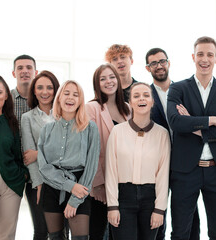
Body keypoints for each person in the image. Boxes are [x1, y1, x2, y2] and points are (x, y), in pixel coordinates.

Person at [167, 36, 216, 240]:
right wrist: (213, 120)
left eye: (210, 54)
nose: (205, 59)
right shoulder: (178, 88)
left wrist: (195, 126)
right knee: (181, 232)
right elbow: (176, 122)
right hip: (184, 172)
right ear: (193, 57)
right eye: (200, 54)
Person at [145, 47, 200, 240]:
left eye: (162, 61)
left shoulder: (185, 91)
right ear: (147, 68)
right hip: (157, 163)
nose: (159, 66)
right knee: (157, 211)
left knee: (189, 214)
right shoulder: (145, 96)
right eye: (154, 63)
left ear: (169, 63)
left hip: (185, 161)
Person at [105, 82, 170, 240]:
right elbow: (111, 171)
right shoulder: (117, 132)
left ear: (152, 101)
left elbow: (163, 175)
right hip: (123, 198)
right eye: (136, 96)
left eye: (146, 95)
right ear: (131, 102)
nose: (142, 99)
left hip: (151, 200)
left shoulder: (162, 134)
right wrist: (112, 206)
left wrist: (160, 209)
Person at [37, 80, 100, 240]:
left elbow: (91, 167)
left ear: (80, 101)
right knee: (55, 237)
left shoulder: (90, 128)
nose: (70, 98)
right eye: (66, 93)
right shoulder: (47, 129)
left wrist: (74, 198)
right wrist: (68, 186)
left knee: (80, 237)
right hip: (51, 187)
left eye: (75, 94)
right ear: (59, 98)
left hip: (81, 185)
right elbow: (43, 167)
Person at [86, 64, 131, 240]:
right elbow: (90, 150)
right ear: (97, 84)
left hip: (125, 181)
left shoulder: (128, 108)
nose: (108, 82)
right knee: (97, 231)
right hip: (101, 182)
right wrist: (98, 184)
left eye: (111, 77)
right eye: (102, 79)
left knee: (119, 232)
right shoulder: (92, 108)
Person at [21, 70, 60, 240]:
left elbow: (67, 150)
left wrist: (39, 153)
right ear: (34, 91)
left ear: (56, 90)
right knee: (41, 230)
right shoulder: (27, 118)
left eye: (50, 87)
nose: (45, 92)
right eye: (40, 88)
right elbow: (29, 155)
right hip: (37, 182)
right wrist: (39, 185)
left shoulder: (64, 115)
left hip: (62, 181)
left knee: (60, 232)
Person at [0, 76, 29, 240]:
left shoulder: (11, 123)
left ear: (5, 96)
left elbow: (17, 154)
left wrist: (22, 175)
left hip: (10, 183)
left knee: (6, 234)